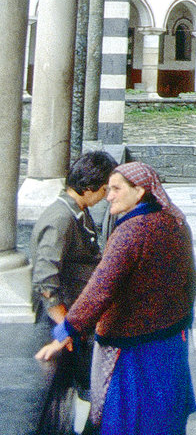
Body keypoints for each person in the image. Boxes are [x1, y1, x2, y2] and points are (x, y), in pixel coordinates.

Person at [36, 162, 196, 435]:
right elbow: (190, 280)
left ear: (139, 192)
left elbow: (100, 289)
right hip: (171, 338)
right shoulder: (174, 221)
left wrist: (65, 331)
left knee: (130, 419)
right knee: (164, 413)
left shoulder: (131, 232)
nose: (108, 196)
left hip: (133, 349)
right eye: (107, 189)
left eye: (115, 189)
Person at [30, 151, 117, 399]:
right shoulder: (60, 219)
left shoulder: (78, 211)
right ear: (88, 188)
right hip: (71, 318)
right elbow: (46, 281)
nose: (107, 197)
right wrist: (66, 327)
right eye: (104, 189)